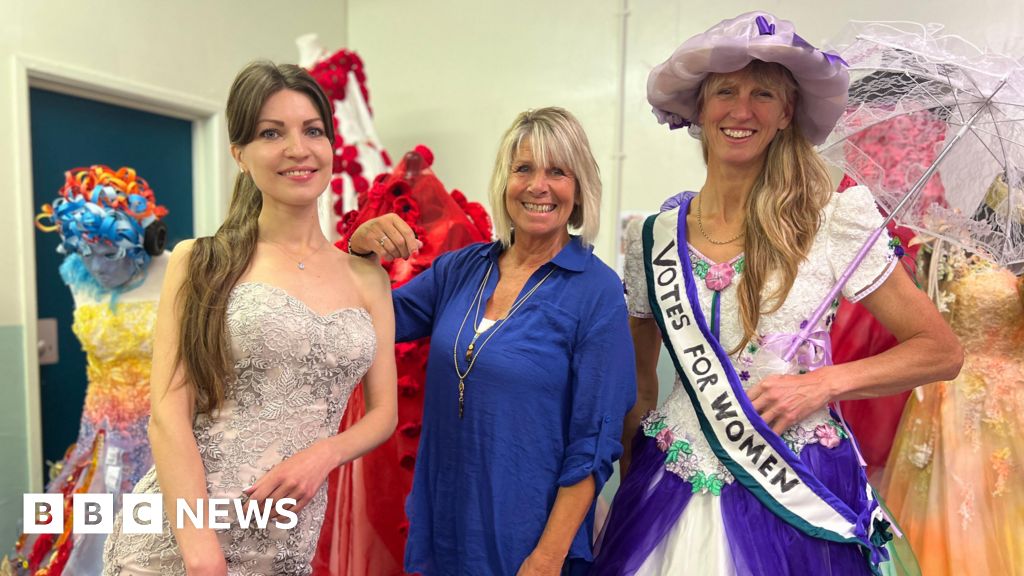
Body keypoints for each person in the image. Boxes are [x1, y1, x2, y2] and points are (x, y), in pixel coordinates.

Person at [591, 12, 962, 575]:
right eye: (726, 92)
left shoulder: (833, 221)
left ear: (787, 112)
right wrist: (628, 490)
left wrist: (823, 384)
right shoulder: (652, 239)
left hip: (798, 485)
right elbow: (639, 389)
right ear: (698, 107)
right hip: (665, 490)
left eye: (763, 93)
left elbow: (941, 350)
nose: (742, 111)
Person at [101, 61, 397, 576]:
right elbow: (168, 415)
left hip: (286, 542)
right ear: (239, 154)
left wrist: (323, 455)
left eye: (312, 131)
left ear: (330, 145)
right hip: (179, 543)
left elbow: (382, 413)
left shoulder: (367, 277)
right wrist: (202, 558)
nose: (298, 149)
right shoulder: (202, 261)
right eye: (270, 133)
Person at [346, 107, 636, 575]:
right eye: (523, 169)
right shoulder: (463, 269)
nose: (538, 186)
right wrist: (359, 254)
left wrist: (547, 558)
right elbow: (370, 323)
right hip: (448, 522)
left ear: (579, 189)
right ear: (505, 182)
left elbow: (595, 444)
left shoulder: (595, 291)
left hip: (528, 538)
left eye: (557, 172)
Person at [8, 166, 169, 575]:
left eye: (108, 253)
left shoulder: (176, 272)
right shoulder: (77, 279)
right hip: (97, 433)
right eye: (85, 253)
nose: (96, 267)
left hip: (164, 435)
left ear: (144, 242)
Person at [880, 174, 1024, 576]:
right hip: (954, 397)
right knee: (955, 504)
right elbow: (928, 317)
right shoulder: (947, 243)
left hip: (1014, 399)